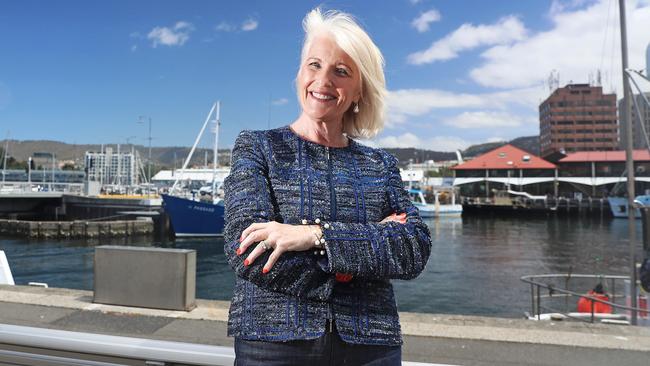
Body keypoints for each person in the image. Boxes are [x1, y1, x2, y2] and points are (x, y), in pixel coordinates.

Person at [223, 8, 432, 365]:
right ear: (299, 73)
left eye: (341, 71)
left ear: (359, 91)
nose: (323, 81)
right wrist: (361, 253)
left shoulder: (379, 165)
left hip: (370, 343)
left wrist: (315, 237)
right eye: (314, 65)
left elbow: (413, 248)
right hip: (273, 344)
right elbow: (248, 249)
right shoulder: (258, 147)